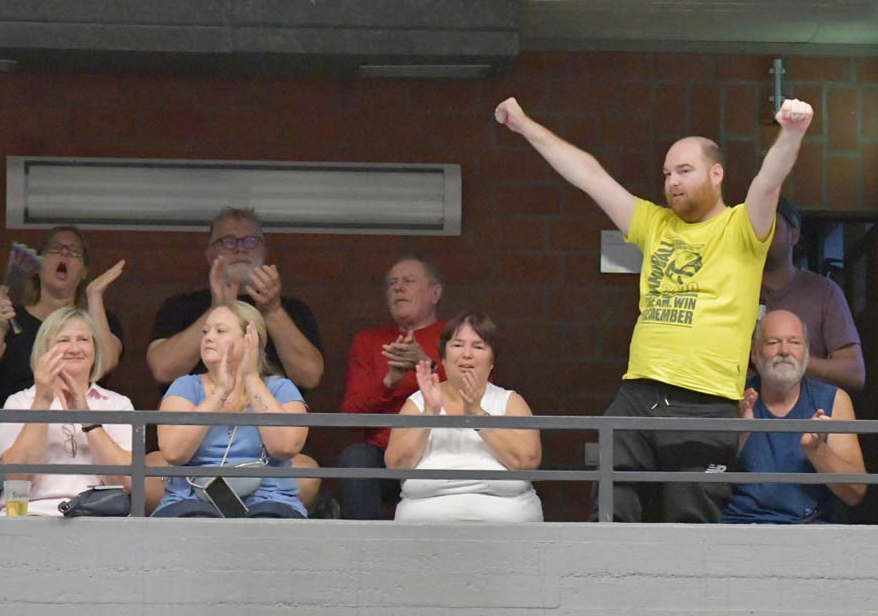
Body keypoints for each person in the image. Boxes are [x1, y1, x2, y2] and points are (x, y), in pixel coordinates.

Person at [493, 95, 812, 522]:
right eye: (666, 173)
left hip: (705, 401)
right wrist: (524, 124)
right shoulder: (654, 223)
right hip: (638, 395)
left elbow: (768, 182)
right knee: (611, 513)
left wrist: (792, 133)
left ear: (716, 174)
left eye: (685, 170)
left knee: (688, 526)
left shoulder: (741, 226)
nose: (672, 182)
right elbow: (590, 175)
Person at [145, 207, 323, 510]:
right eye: (228, 241)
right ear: (209, 254)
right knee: (146, 472)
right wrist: (218, 308)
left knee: (307, 473)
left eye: (251, 241)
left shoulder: (293, 311)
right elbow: (162, 368)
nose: (240, 248)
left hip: (267, 463)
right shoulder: (181, 307)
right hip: (193, 464)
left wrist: (272, 311)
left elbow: (311, 374)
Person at [0, 225, 124, 495]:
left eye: (74, 252)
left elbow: (106, 362)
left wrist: (94, 296)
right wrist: (0, 328)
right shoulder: (11, 318)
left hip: (81, 431)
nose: (64, 254)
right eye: (55, 249)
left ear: (84, 270)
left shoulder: (100, 319)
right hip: (13, 431)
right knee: (16, 481)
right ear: (38, 264)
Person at [154, 302, 308, 518]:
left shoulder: (279, 388)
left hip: (269, 498)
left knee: (268, 524)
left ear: (250, 340)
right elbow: (173, 452)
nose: (208, 338)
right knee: (196, 521)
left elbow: (285, 447)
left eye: (220, 331)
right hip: (192, 498)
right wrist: (220, 393)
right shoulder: (185, 386)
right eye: (205, 331)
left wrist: (251, 378)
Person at [386, 312, 542, 522]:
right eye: (458, 345)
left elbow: (527, 462)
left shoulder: (510, 401)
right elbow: (396, 466)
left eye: (478, 347)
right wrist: (430, 413)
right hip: (424, 535)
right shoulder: (418, 403)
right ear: (443, 358)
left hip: (508, 534)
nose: (467, 354)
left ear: (492, 361)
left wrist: (477, 415)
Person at [721, 310, 866, 524]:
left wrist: (818, 450)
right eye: (773, 343)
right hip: (737, 526)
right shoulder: (735, 398)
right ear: (754, 354)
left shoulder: (834, 400)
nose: (784, 351)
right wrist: (740, 435)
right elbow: (703, 484)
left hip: (807, 531)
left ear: (806, 352)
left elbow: (855, 492)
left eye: (795, 343)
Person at [0, 308, 134, 516]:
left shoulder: (117, 404)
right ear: (44, 351)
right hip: (31, 515)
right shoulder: (20, 402)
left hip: (98, 519)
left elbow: (126, 482)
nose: (74, 348)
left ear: (95, 350)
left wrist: (86, 416)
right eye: (63, 341)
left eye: (83, 340)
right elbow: (17, 477)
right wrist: (42, 401)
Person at [338, 254, 448, 519]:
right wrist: (389, 382)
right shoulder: (369, 340)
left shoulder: (454, 335)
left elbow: (478, 394)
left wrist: (426, 365)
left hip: (444, 449)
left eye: (408, 281)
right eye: (392, 283)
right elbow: (349, 416)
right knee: (355, 459)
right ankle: (366, 542)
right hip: (384, 455)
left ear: (435, 293)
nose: (398, 287)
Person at [759, 197, 865, 391]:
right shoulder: (730, 289)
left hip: (809, 406)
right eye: (754, 228)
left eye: (770, 227)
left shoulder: (824, 292)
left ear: (794, 235)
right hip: (742, 407)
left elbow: (854, 373)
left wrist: (792, 359)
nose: (760, 235)